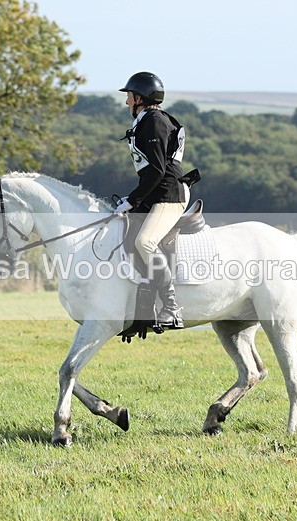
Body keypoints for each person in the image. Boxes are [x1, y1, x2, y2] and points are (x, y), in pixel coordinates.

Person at [114, 71, 188, 329]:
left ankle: (171, 307)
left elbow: (157, 170)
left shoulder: (154, 121)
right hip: (157, 192)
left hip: (169, 193)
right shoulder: (147, 120)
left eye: (129, 97)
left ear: (140, 98)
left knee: (144, 242)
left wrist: (134, 200)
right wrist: (133, 198)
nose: (126, 103)